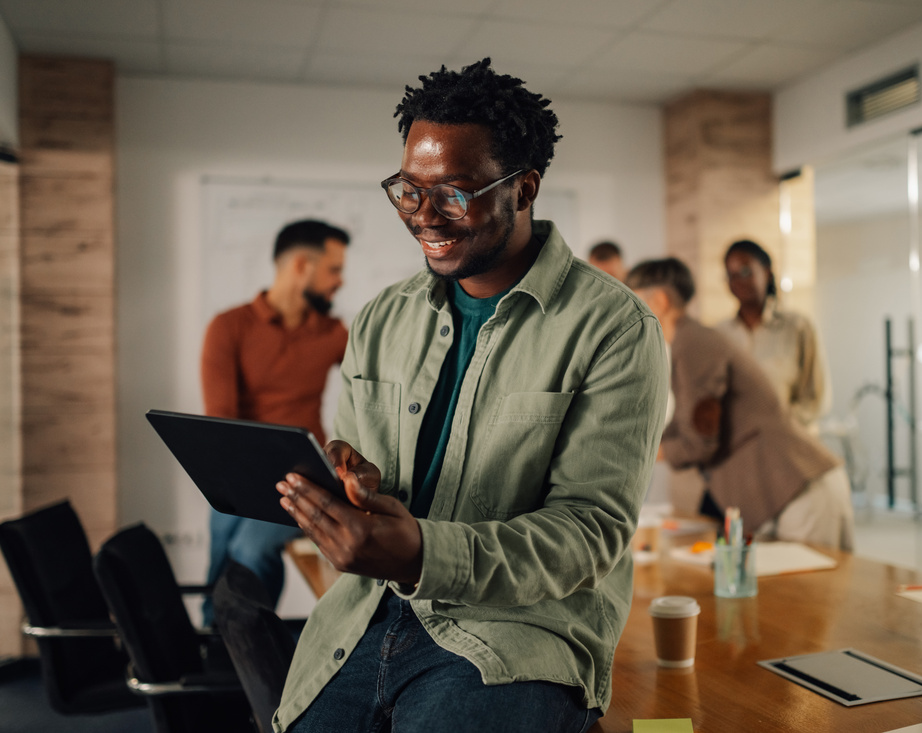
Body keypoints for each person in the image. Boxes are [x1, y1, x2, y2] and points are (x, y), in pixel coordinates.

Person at [271, 59, 666, 733]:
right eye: (408, 190)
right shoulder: (380, 318)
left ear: (525, 187)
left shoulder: (615, 328)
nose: (424, 215)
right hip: (363, 613)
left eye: (454, 192)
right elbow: (358, 454)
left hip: (513, 635)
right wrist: (349, 476)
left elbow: (588, 533)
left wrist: (424, 552)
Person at [627, 258, 854, 551]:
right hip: (782, 491)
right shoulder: (688, 340)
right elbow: (689, 422)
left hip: (799, 488)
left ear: (659, 300)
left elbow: (699, 441)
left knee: (819, 596)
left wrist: (637, 452)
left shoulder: (693, 343)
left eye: (629, 299)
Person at [201, 219, 350, 624]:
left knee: (249, 551)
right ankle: (216, 644)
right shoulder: (229, 327)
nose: (340, 281)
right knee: (225, 541)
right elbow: (221, 428)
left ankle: (252, 643)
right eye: (334, 269)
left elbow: (378, 384)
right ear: (302, 265)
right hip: (242, 472)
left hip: (305, 477)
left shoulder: (334, 333)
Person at [718, 239, 831, 433]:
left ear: (766, 272)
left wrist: (774, 424)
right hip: (737, 451)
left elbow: (816, 399)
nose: (738, 280)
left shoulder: (797, 328)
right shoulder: (719, 335)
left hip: (787, 445)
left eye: (745, 271)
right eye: (731, 274)